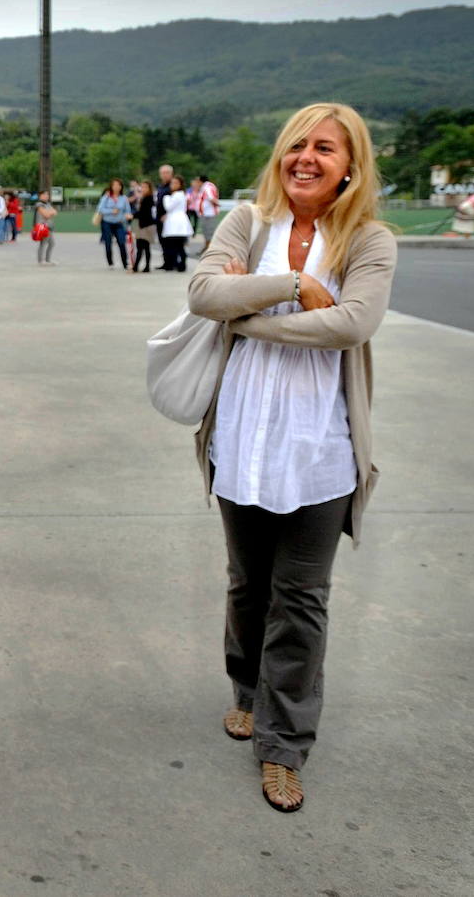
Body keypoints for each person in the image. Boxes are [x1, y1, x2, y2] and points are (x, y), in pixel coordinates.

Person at [186, 102, 396, 814]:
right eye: (296, 145)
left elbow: (354, 323)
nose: (306, 158)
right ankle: (247, 688)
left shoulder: (369, 239)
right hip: (242, 438)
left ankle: (283, 746)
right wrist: (288, 286)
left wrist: (250, 319)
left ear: (350, 166)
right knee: (249, 584)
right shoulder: (246, 222)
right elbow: (203, 291)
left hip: (321, 449)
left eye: (326, 149)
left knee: (301, 600)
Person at [159, 174, 193, 271]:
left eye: (175, 183)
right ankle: (176, 264)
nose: (172, 185)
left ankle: (180, 265)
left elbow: (168, 207)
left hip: (176, 223)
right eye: (172, 183)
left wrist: (166, 198)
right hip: (174, 221)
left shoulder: (177, 195)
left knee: (177, 246)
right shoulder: (178, 195)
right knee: (176, 246)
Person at [97, 177, 132, 268]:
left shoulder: (124, 198)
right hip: (107, 223)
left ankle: (125, 263)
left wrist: (126, 217)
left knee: (121, 242)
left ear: (121, 187)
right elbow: (100, 209)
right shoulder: (106, 197)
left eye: (118, 185)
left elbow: (127, 211)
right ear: (111, 186)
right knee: (108, 243)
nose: (116, 187)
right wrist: (111, 211)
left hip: (119, 223)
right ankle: (110, 262)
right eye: (114, 185)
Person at [132, 178, 157, 273]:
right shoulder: (144, 198)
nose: (143, 188)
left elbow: (143, 212)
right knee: (143, 247)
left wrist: (133, 215)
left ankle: (138, 266)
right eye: (142, 187)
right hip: (143, 224)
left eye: (145, 187)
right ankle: (142, 266)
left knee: (143, 246)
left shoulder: (148, 198)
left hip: (146, 225)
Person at [197, 173, 221, 251]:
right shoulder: (208, 186)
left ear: (201, 181)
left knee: (209, 231)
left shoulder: (207, 187)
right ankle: (207, 246)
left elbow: (211, 198)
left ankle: (209, 248)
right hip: (207, 213)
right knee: (207, 231)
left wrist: (217, 205)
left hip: (208, 213)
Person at [33, 189, 57, 265]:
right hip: (42, 226)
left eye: (47, 194)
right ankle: (41, 261)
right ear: (40, 196)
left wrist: (49, 213)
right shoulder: (39, 204)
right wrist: (50, 213)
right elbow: (46, 214)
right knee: (43, 243)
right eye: (45, 194)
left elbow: (55, 212)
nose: (47, 196)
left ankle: (48, 260)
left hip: (49, 226)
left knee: (52, 243)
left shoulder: (47, 204)